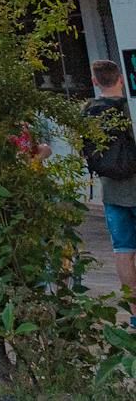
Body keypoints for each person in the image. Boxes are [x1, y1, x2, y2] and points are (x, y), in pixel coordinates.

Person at [84, 59, 136, 304]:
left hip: (111, 192)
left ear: (95, 81)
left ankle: (135, 314)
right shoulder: (129, 108)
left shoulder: (88, 111)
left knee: (122, 250)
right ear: (121, 78)